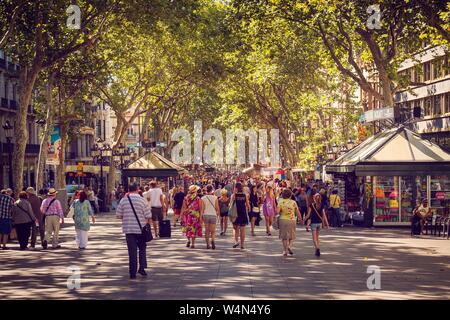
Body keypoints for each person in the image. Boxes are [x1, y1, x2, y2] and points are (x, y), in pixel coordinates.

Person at [116, 183, 152, 279]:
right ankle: (142, 268)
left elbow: (118, 215)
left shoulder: (123, 200)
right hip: (141, 229)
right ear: (137, 189)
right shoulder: (142, 200)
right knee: (142, 249)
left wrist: (127, 217)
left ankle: (132, 272)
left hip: (128, 229)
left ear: (128, 189)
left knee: (132, 251)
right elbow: (148, 215)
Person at [277, 189, 302, 256]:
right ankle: (289, 246)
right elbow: (297, 211)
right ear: (290, 195)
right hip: (292, 220)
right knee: (292, 236)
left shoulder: (280, 202)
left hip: (283, 220)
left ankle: (285, 251)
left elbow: (277, 211)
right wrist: (300, 219)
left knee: (284, 237)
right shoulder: (293, 202)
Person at [231, 182, 250, 250]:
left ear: (236, 188)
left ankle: (236, 241)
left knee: (236, 229)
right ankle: (242, 244)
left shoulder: (234, 195)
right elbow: (248, 205)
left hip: (235, 213)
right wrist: (248, 210)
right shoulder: (244, 195)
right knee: (243, 229)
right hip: (243, 213)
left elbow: (231, 205)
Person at [201, 185, 220, 249]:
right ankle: (213, 240)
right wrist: (218, 216)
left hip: (206, 215)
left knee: (207, 231)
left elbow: (202, 209)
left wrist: (201, 217)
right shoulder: (215, 198)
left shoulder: (203, 198)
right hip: (213, 215)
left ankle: (208, 244)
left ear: (206, 190)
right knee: (213, 231)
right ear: (212, 190)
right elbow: (217, 208)